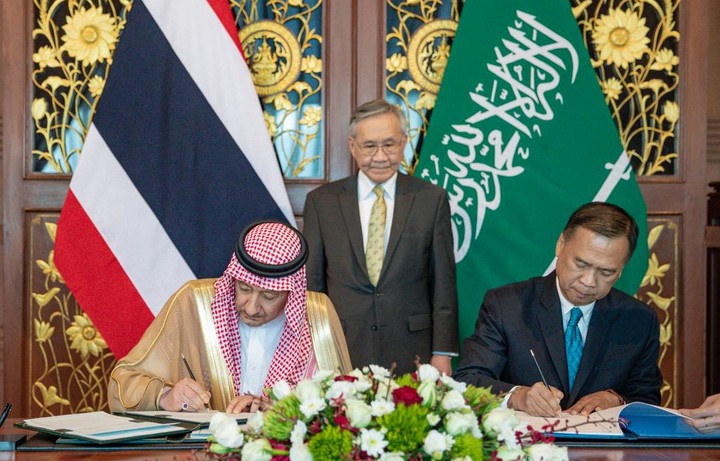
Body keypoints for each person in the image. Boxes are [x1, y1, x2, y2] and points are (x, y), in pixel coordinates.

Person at [453, 202, 662, 417]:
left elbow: (647, 398)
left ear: (621, 270)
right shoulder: (507, 306)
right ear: (560, 245)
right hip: (527, 436)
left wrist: (616, 400)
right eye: (581, 264)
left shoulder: (639, 320)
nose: (589, 281)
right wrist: (518, 397)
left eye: (606, 272)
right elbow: (468, 380)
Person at [303, 98, 458, 376]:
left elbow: (443, 283)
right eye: (369, 146)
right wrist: (314, 349)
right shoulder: (322, 202)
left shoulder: (431, 199)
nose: (380, 156)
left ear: (404, 142)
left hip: (413, 350)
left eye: (389, 144)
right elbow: (313, 287)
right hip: (342, 347)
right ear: (352, 146)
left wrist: (442, 353)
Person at [108, 221, 317, 413]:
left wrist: (280, 408)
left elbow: (332, 405)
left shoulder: (317, 319)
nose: (252, 308)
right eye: (244, 288)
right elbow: (123, 381)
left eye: (269, 296)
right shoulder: (193, 303)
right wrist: (166, 396)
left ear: (291, 293)